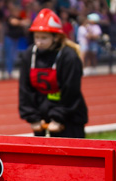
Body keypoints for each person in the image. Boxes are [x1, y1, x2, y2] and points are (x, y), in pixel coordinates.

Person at [18, 8, 88, 138]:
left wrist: (58, 118)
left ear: (56, 37)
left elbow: (71, 91)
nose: (39, 42)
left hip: (69, 118)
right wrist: (32, 118)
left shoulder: (69, 57)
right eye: (36, 37)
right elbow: (25, 89)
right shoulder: (29, 55)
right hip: (41, 118)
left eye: (44, 38)